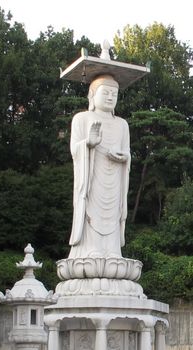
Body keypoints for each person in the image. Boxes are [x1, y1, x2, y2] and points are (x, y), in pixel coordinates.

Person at [68, 74, 131, 260]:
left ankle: (112, 251)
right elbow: (74, 150)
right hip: (92, 177)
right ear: (92, 95)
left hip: (115, 179)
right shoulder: (81, 118)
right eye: (106, 93)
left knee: (114, 212)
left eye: (115, 94)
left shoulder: (122, 124)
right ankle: (90, 248)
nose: (111, 97)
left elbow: (127, 153)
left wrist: (123, 157)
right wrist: (88, 143)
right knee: (92, 210)